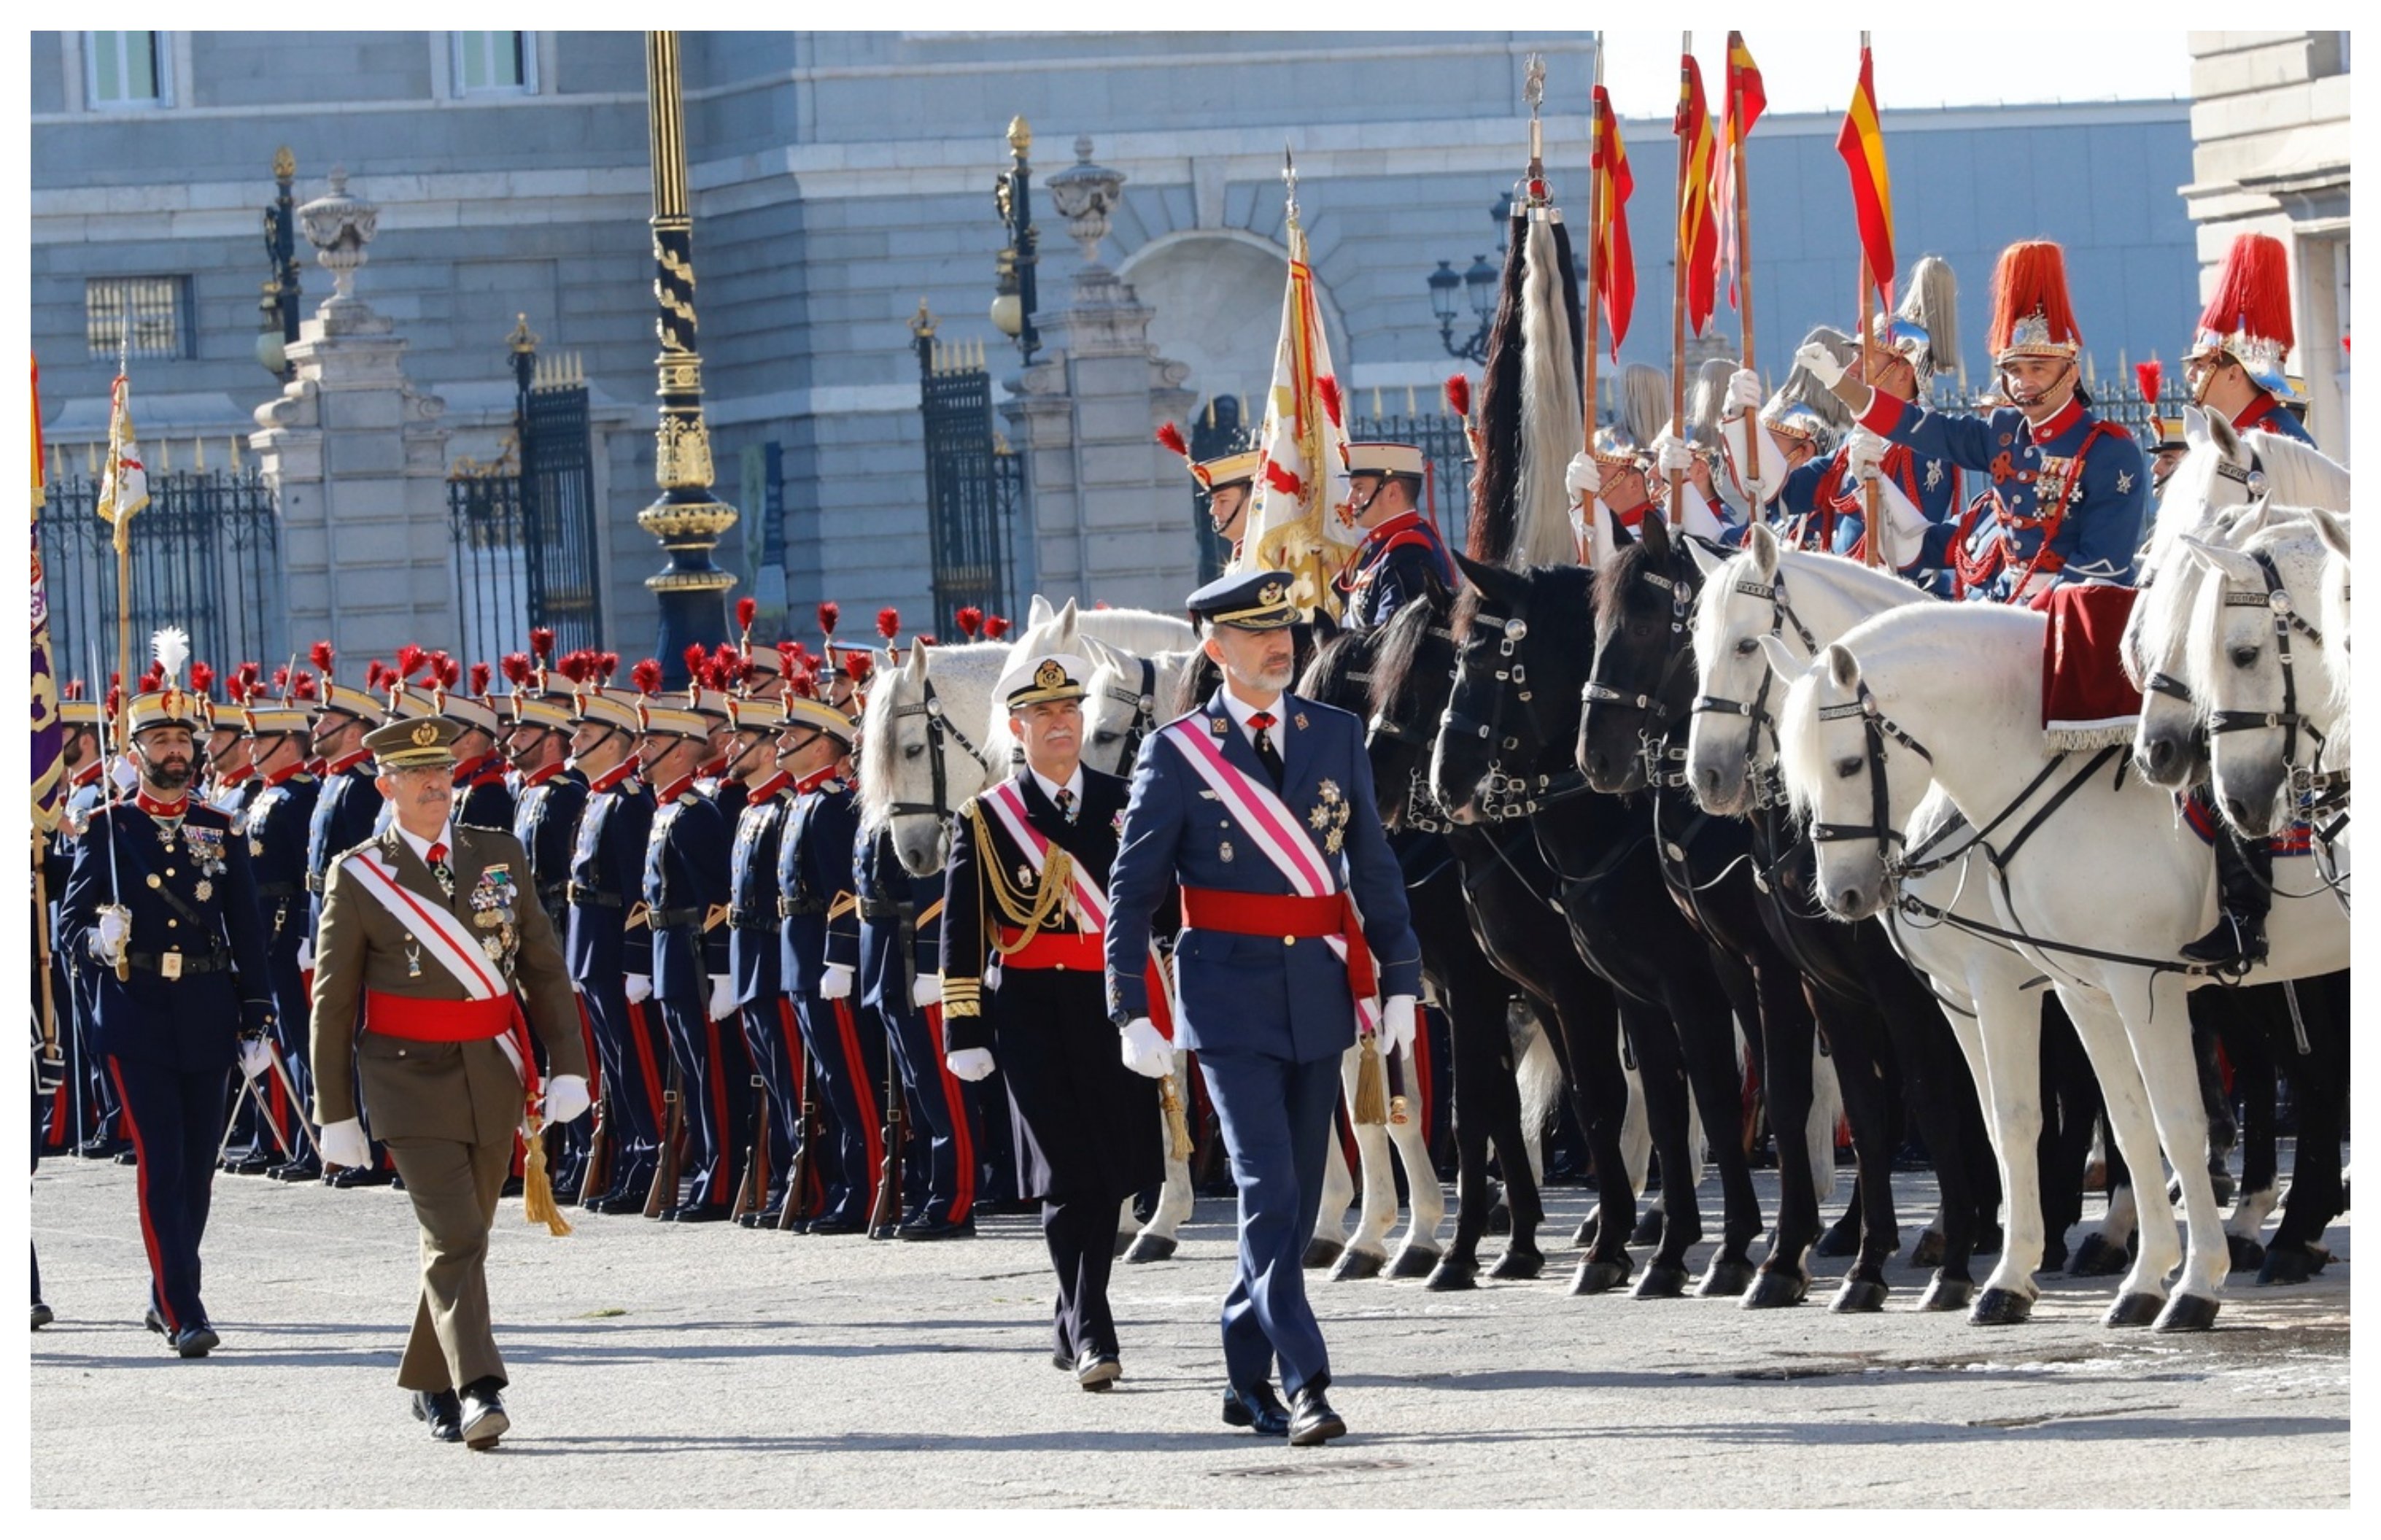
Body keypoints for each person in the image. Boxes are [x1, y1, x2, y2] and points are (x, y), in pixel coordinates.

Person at [1104, 570, 1422, 1447]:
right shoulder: (1178, 753)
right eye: (1255, 633)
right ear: (1216, 649)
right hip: (1228, 996)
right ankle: (1306, 1379)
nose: (1279, 644)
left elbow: (1373, 862)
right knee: (1271, 1186)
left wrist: (1400, 972)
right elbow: (1131, 896)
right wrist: (1131, 1007)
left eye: (1283, 627)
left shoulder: (1338, 733)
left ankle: (1243, 1379)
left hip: (1319, 990)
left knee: (1279, 1200)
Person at [308, 714, 590, 1450]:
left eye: (444, 770)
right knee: (455, 1229)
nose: (436, 783)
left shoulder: (496, 852)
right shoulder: (361, 872)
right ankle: (479, 1388)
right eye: (417, 774)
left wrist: (570, 1064)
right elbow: (333, 1001)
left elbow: (542, 967)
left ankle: (431, 1382)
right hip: (406, 1078)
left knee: (464, 1239)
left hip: (494, 1067)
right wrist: (334, 1111)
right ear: (387, 785)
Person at [942, 651, 1160, 1389]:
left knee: (1109, 1171)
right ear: (1017, 728)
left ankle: (1071, 1319)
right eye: (1043, 715)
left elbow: (1154, 907)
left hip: (1110, 1006)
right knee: (1067, 1169)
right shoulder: (986, 818)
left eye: (1070, 711)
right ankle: (1095, 1326)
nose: (1060, 724)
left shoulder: (1124, 800)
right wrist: (963, 1029)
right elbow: (965, 929)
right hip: (1030, 1010)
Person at [58, 632, 277, 1358]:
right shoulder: (109, 827)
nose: (174, 751)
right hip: (137, 1007)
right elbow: (67, 923)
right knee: (161, 1158)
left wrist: (258, 1010)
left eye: (183, 738)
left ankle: (165, 1286)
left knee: (200, 1163)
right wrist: (99, 932)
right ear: (137, 750)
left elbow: (246, 927)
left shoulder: (220, 827)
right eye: (159, 739)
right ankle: (184, 1305)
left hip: (209, 1007)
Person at [1805, 238, 2150, 602]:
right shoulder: (2003, 432)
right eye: (2014, 370)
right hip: (2004, 600)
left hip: (2072, 608)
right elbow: (1921, 429)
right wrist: (1841, 385)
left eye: (2039, 368)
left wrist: (2031, 610)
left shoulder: (2108, 450)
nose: (2024, 381)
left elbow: (2100, 565)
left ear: (2071, 372)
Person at [632, 667, 745, 1223]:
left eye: (651, 742)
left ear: (681, 750)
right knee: (692, 1071)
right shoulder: (667, 808)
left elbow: (715, 899)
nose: (641, 751)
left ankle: (721, 1179)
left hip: (696, 956)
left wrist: (723, 972)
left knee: (712, 1075)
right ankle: (706, 1168)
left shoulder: (697, 815)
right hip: (669, 952)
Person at [563, 665, 667, 1214]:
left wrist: (635, 962)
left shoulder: (629, 803)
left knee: (636, 1061)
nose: (574, 741)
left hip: (614, 948)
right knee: (612, 1063)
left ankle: (651, 1158)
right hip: (588, 943)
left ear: (614, 741)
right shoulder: (599, 796)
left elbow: (637, 894)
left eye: (585, 733)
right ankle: (629, 1155)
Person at [295, 644, 388, 1183]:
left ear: (356, 729)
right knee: (332, 1038)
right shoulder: (334, 779)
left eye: (330, 719)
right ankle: (344, 1142)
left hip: (350, 923)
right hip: (321, 915)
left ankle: (370, 1147)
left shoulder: (356, 787)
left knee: (358, 1039)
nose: (320, 725)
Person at [225, 673, 322, 1175]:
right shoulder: (264, 793)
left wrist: (308, 929)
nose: (251, 747)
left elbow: (311, 866)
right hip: (263, 927)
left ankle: (314, 1141)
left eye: (260, 740)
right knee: (272, 1035)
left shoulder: (303, 794)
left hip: (289, 927)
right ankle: (283, 1139)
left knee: (303, 1039)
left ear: (289, 742)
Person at [2184, 231, 2318, 449]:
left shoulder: (2275, 441)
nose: (2190, 375)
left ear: (2234, 374)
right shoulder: (2234, 433)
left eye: (2200, 365)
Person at [1333, 441, 1455, 632]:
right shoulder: (1383, 545)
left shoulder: (1409, 551)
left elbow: (1387, 639)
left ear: (1392, 492)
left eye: (1359, 489)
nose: (1350, 499)